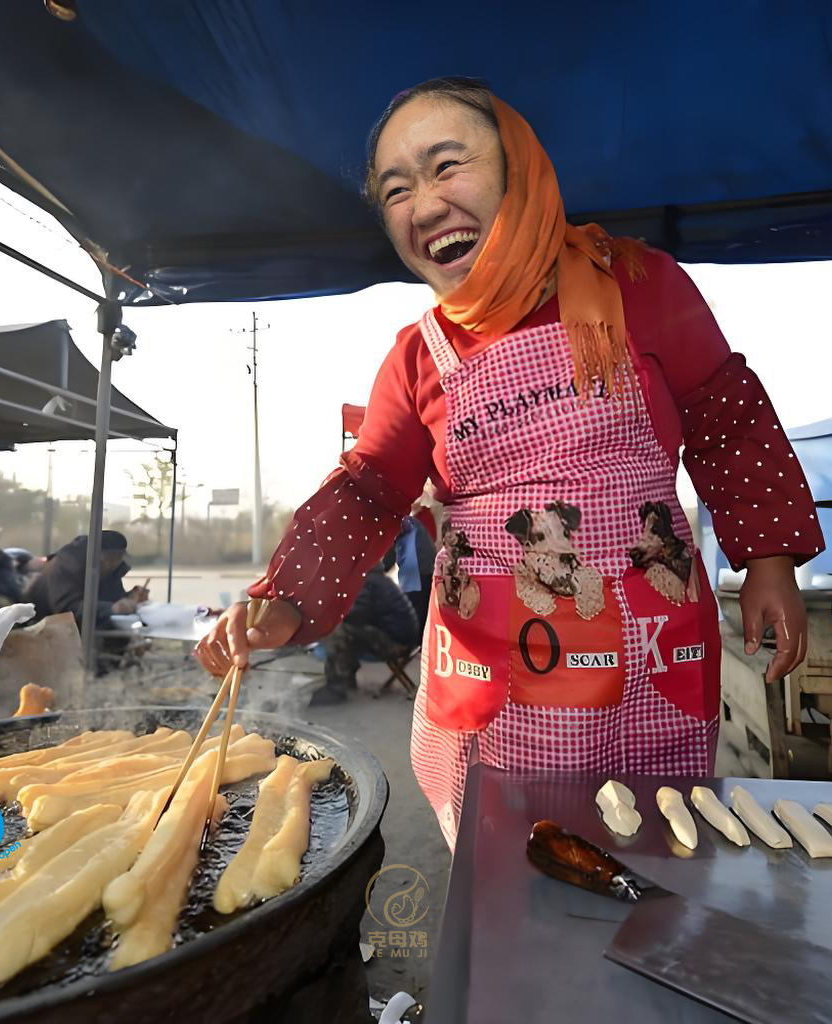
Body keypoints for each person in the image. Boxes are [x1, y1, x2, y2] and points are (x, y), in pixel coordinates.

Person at [196, 77, 824, 851]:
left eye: (446, 166)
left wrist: (769, 562)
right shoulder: (415, 356)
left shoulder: (641, 284)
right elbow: (368, 492)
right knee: (512, 885)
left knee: (659, 860)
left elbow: (728, 423)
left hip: (652, 664)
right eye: (396, 190)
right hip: (494, 686)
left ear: (518, 173)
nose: (423, 205)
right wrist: (285, 599)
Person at [311, 553, 420, 706]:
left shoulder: (366, 581)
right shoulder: (373, 578)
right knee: (348, 630)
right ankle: (345, 678)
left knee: (339, 631)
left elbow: (355, 614)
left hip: (397, 644)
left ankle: (336, 687)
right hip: (402, 638)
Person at [26, 530, 150, 630]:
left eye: (118, 558)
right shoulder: (66, 566)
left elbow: (111, 599)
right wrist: (111, 608)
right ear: (96, 554)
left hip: (81, 627)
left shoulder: (112, 568)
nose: (112, 564)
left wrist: (130, 597)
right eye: (110, 558)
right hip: (43, 625)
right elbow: (66, 608)